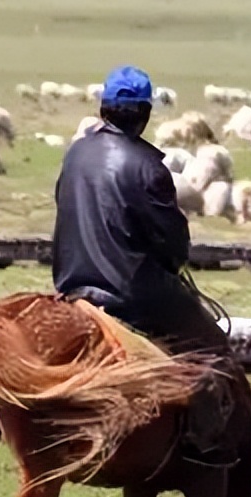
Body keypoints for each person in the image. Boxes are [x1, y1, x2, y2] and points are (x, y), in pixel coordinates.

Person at [51, 64, 234, 463]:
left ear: (104, 109)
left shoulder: (76, 154)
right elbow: (173, 243)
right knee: (214, 350)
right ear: (145, 114)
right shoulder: (148, 166)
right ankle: (201, 446)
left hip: (70, 284)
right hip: (129, 291)